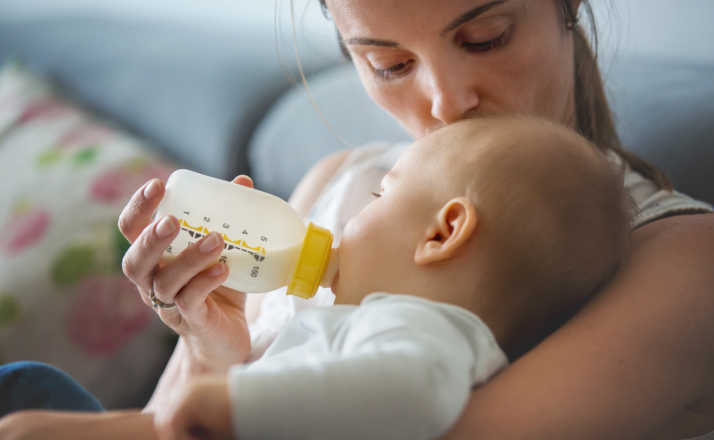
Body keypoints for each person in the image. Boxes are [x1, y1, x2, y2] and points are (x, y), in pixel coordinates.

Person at [2, 0, 714, 439]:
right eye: (390, 63)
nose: (444, 102)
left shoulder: (680, 259)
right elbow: (181, 415)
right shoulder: (340, 185)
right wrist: (212, 344)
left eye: (486, 36)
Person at [152, 116, 632, 440]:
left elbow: (416, 391)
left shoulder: (419, 324)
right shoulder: (376, 321)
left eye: (378, 196)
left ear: (442, 234)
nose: (346, 219)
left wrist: (230, 405)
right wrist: (218, 352)